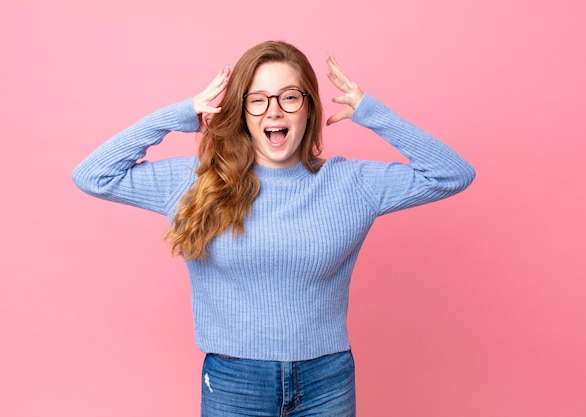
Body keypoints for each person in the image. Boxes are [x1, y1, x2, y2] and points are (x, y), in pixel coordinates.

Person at [72, 40, 475, 416]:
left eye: (289, 97)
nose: (274, 111)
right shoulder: (197, 181)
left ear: (308, 109)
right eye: (258, 100)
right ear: (243, 113)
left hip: (327, 379)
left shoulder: (352, 184)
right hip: (233, 382)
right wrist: (179, 116)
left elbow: (452, 174)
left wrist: (372, 113)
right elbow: (94, 175)